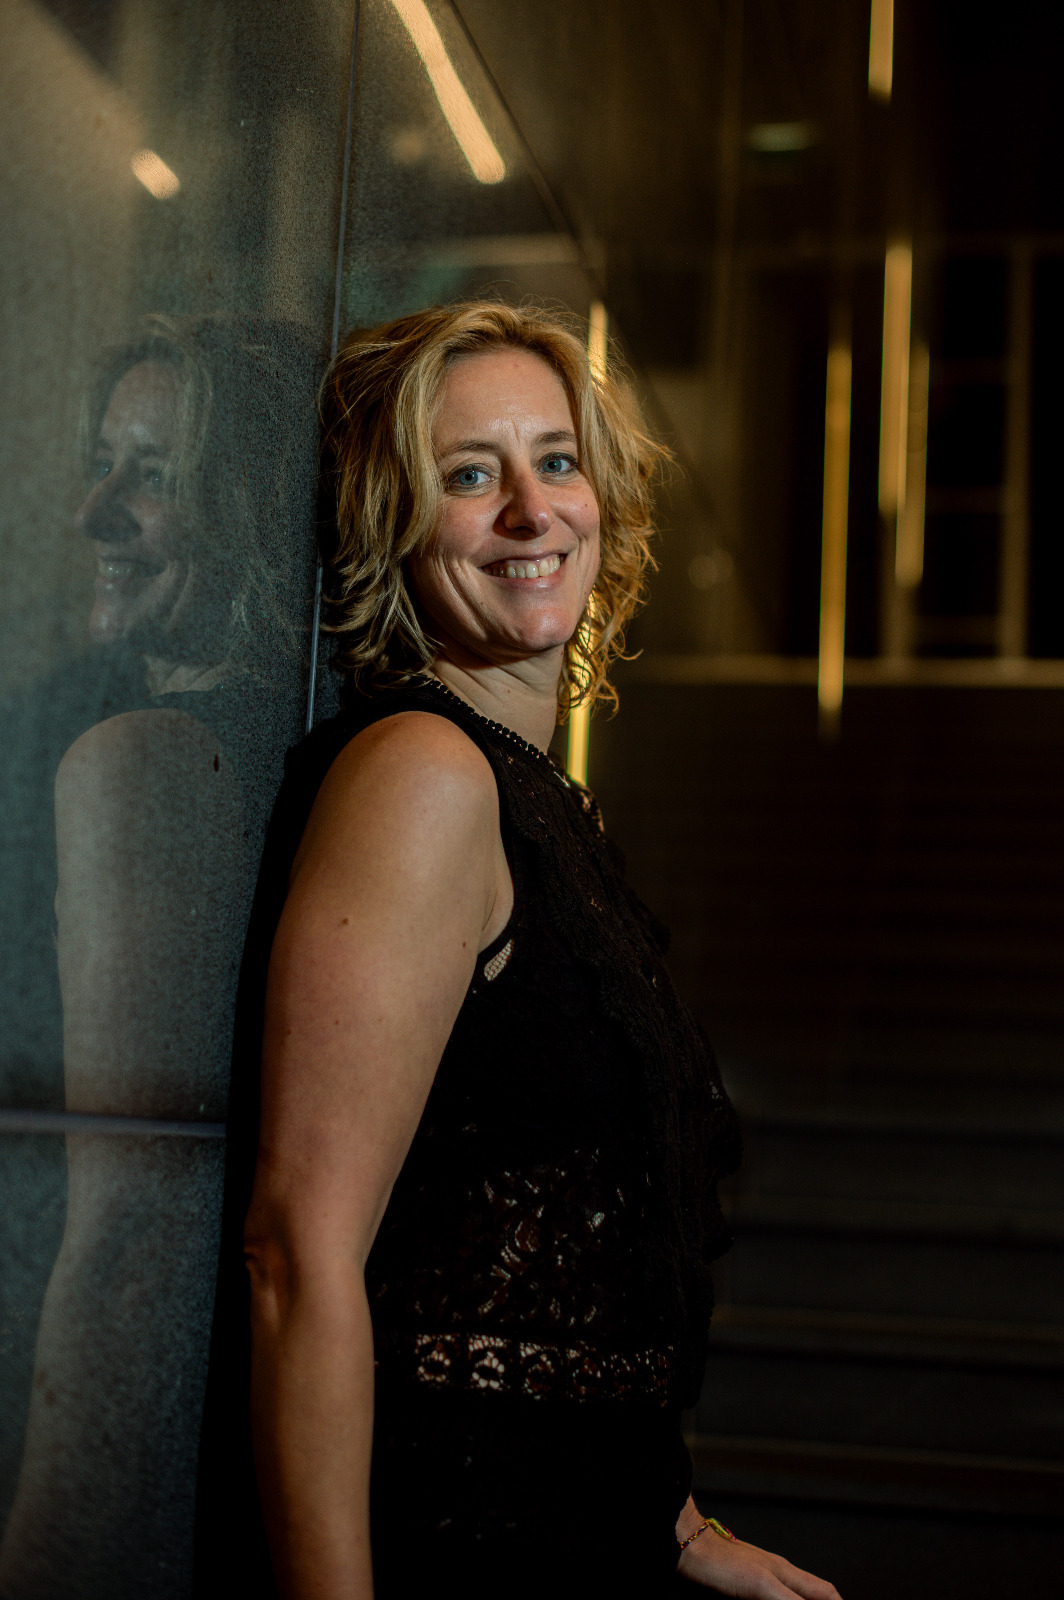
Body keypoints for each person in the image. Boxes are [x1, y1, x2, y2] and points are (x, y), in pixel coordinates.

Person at [196, 301, 841, 1599]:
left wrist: (684, 1530)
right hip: (457, 1539)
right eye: (469, 475)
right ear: (391, 520)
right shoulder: (422, 775)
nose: (532, 511)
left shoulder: (536, 803)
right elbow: (294, 1254)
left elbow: (553, 1262)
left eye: (556, 460)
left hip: (583, 1527)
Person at [0, 315, 318, 1600]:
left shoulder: (152, 763)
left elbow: (136, 1220)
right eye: (103, 460)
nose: (96, 511)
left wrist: (51, 1551)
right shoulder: (310, 737)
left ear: (249, 503)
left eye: (156, 473)